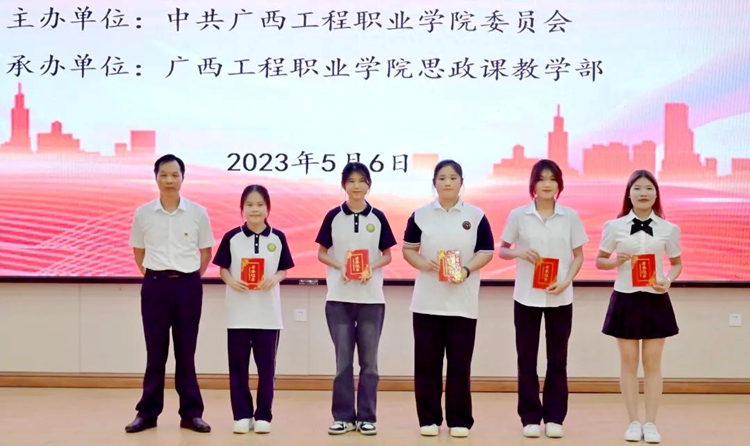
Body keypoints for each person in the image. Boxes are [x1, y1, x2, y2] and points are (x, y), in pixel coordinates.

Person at [402, 159, 495, 438]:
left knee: (459, 364)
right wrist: (423, 263)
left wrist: (466, 270)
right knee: (426, 364)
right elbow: (408, 250)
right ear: (434, 183)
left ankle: (459, 419)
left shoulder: (476, 216)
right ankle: (428, 419)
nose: (447, 183)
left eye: (453, 178)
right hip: (427, 302)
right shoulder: (420, 215)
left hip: (462, 304)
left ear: (461, 182)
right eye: (442, 178)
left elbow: (486, 252)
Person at [498, 159, 588, 439]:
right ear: (533, 184)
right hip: (526, 296)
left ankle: (555, 417)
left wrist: (566, 280)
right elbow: (502, 250)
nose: (547, 184)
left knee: (557, 359)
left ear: (559, 184)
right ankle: (530, 417)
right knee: (526, 358)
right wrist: (519, 252)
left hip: (560, 297)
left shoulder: (570, 216)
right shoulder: (519, 215)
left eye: (552, 179)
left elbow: (579, 256)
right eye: (541, 179)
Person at [126, 154, 214, 433]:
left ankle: (191, 413)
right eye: (163, 175)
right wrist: (156, 276)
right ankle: (147, 413)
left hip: (188, 286)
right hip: (155, 286)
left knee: (186, 353)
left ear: (183, 178)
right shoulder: (143, 213)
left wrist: (188, 278)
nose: (169, 180)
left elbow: (206, 252)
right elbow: (138, 252)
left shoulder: (198, 213)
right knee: (155, 353)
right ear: (155, 178)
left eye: (175, 175)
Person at [596, 169, 682, 444]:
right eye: (637, 188)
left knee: (653, 363)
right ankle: (633, 421)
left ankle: (651, 423)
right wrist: (616, 261)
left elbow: (676, 263)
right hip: (626, 298)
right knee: (628, 362)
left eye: (649, 188)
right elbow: (600, 261)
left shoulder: (669, 229)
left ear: (656, 194)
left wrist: (667, 280)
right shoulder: (614, 226)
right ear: (629, 194)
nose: (643, 193)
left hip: (655, 299)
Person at [315, 162, 397, 436]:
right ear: (344, 185)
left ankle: (367, 417)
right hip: (338, 299)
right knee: (343, 364)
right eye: (351, 181)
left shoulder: (378, 217)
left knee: (369, 364)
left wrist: (370, 268)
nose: (357, 186)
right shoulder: (333, 216)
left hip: (371, 300)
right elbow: (321, 253)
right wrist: (340, 266)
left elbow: (388, 255)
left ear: (369, 185)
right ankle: (343, 417)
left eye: (362, 181)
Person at [212, 184, 295, 435]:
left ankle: (263, 415)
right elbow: (222, 268)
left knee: (266, 370)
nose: (254, 209)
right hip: (238, 314)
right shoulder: (232, 237)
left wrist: (275, 279)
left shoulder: (277, 237)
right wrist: (230, 281)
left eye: (259, 205)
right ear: (242, 208)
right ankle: (242, 415)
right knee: (238, 368)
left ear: (268, 208)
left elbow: (284, 269)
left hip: (268, 316)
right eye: (249, 205)